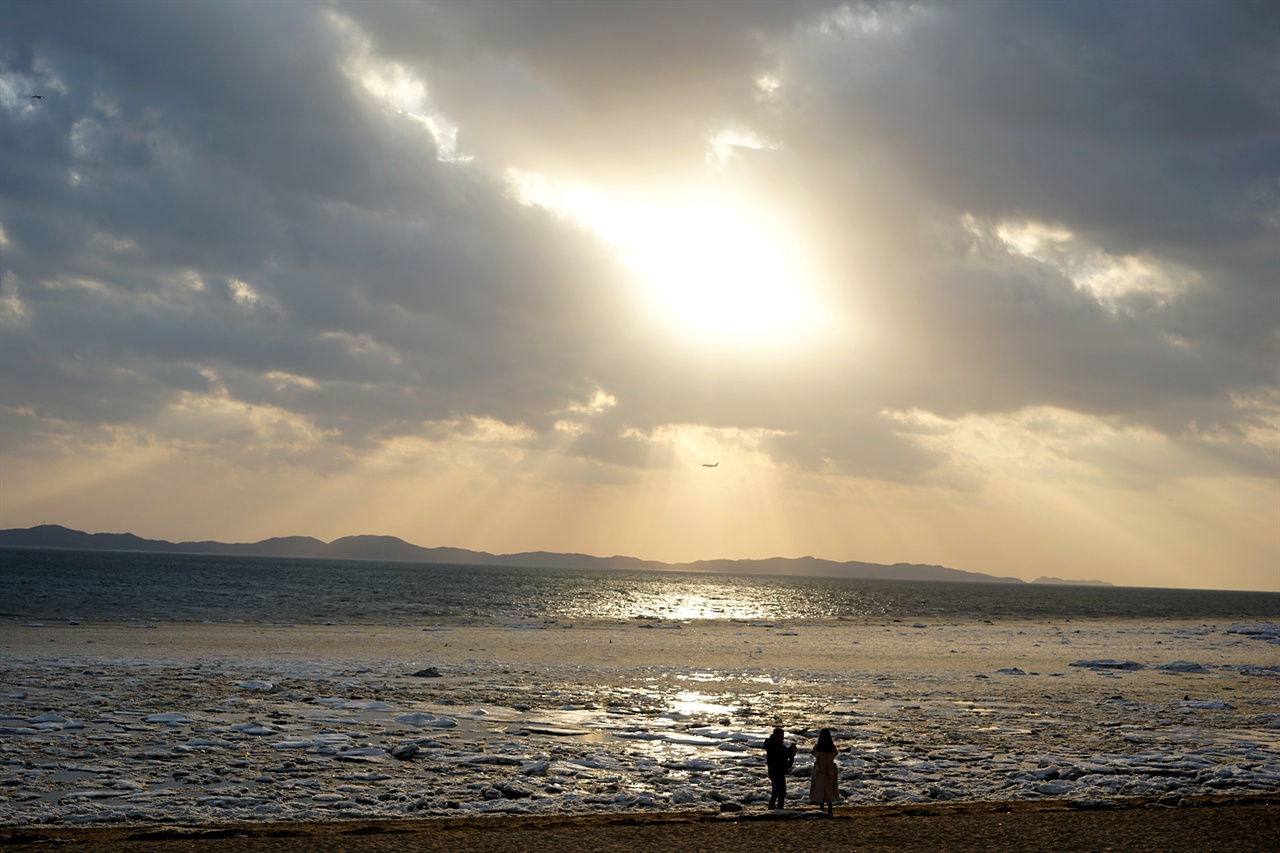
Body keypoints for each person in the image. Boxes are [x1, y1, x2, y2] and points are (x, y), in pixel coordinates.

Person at [762, 727, 797, 809]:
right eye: (782, 736)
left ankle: (773, 807)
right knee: (780, 792)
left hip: (775, 770)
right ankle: (778, 808)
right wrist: (792, 753)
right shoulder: (775, 745)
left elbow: (784, 752)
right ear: (777, 736)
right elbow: (783, 754)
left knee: (777, 791)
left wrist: (791, 751)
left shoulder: (773, 744)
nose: (783, 737)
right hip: (777, 771)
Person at [809, 727, 840, 816]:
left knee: (820, 790)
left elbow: (814, 753)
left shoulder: (817, 748)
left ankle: (821, 809)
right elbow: (835, 754)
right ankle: (830, 809)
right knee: (829, 790)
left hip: (819, 771)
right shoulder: (832, 748)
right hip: (830, 771)